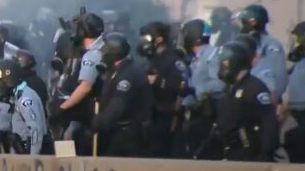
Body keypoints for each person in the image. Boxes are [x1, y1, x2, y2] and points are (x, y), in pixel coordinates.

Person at [214, 41, 279, 162]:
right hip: (230, 151)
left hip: (250, 152)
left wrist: (265, 153)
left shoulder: (255, 88)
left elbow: (268, 123)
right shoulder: (230, 88)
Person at [91, 33, 153, 157]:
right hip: (119, 131)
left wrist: (99, 122)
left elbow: (118, 106)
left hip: (129, 134)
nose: (102, 54)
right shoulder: (116, 69)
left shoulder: (127, 75)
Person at [138, 21, 190, 158]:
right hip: (152, 114)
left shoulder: (173, 59)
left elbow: (184, 84)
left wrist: (159, 81)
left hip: (168, 114)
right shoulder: (152, 59)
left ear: (159, 39)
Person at [0, 58, 53, 155]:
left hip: (36, 152)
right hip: (24, 150)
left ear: (9, 79)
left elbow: (36, 129)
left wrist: (33, 158)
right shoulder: (16, 97)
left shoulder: (25, 98)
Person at [178, 19, 224, 159]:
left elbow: (220, 83)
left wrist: (196, 90)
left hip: (211, 111)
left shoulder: (211, 55)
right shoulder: (196, 58)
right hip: (197, 110)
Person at [234, 4, 288, 102]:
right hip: (245, 95)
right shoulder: (245, 43)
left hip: (265, 97)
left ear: (253, 22)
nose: (242, 26)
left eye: (244, 22)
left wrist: (275, 98)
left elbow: (280, 75)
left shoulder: (271, 44)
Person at [284, 21, 305, 163]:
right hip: (294, 111)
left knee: (297, 139)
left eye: (298, 37)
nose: (296, 41)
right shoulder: (299, 59)